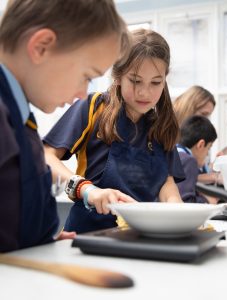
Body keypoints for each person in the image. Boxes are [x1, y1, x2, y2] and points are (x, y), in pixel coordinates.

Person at [0, 0, 131, 252]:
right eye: (87, 76)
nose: (83, 94)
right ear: (41, 47)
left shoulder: (20, 118)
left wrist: (40, 242)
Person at [43, 29, 186, 234]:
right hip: (87, 234)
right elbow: (46, 156)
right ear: (118, 76)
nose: (144, 92)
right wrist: (86, 190)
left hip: (140, 235)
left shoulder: (161, 125)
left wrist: (179, 215)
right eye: (135, 81)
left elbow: (167, 183)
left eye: (156, 82)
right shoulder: (93, 107)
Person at [176, 115, 217, 204]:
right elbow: (186, 201)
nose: (207, 154)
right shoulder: (188, 161)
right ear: (201, 145)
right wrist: (208, 201)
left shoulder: (172, 154)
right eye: (209, 148)